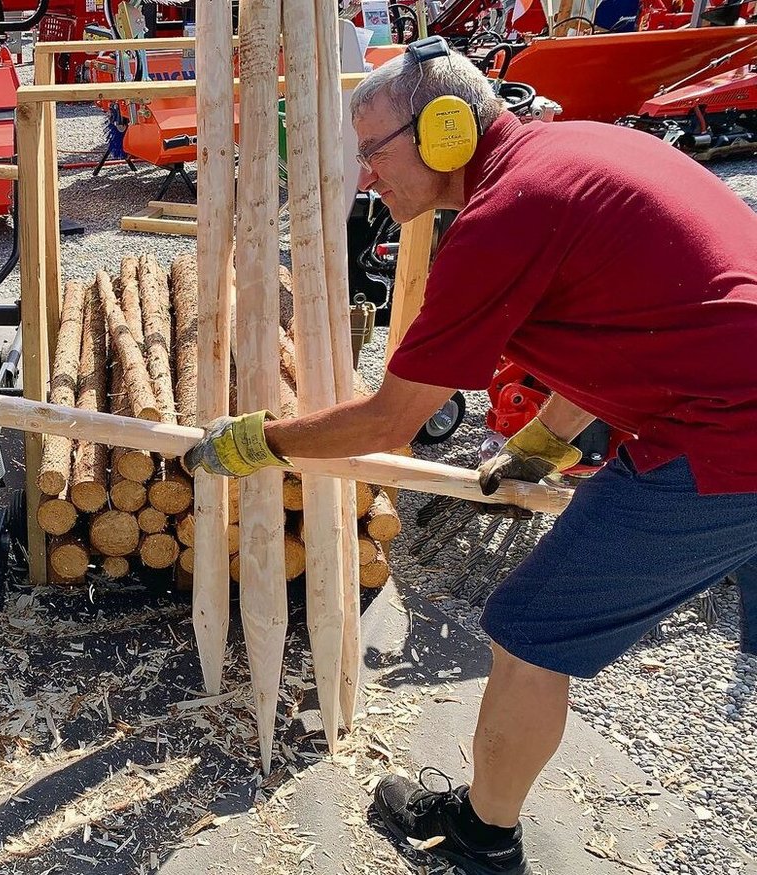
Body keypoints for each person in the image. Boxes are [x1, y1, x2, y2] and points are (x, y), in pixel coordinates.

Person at [182, 36, 757, 875]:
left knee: (528, 631)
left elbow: (389, 419)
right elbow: (630, 326)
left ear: (446, 130)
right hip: (719, 406)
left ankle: (485, 839)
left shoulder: (504, 215)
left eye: (375, 153)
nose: (368, 178)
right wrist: (546, 441)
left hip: (727, 438)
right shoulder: (565, 160)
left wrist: (259, 442)